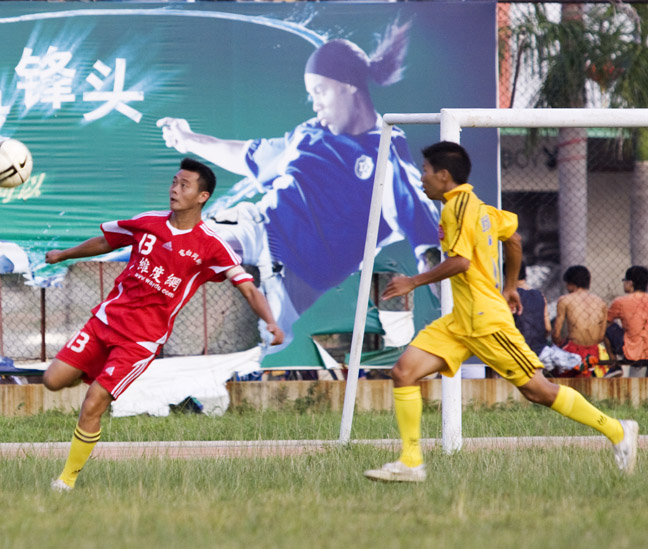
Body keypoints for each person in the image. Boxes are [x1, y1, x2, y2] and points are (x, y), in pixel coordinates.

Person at [363, 141, 638, 483]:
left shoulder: (456, 209)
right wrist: (510, 286)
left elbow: (461, 262)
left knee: (538, 391)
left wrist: (413, 281)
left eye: (426, 171)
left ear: (444, 175)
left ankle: (617, 430)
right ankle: (411, 462)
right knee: (404, 372)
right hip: (460, 321)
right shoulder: (478, 206)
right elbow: (515, 238)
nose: (422, 177)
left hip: (486, 322)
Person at [157, 23, 440, 352]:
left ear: (348, 85)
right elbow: (246, 154)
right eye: (311, 95)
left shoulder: (388, 161)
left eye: (320, 91)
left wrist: (454, 301)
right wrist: (188, 139)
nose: (315, 104)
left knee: (218, 347)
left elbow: (431, 252)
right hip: (255, 229)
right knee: (162, 248)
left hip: (289, 284)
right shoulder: (309, 134)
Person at [42, 158, 284, 491]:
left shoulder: (210, 246)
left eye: (184, 185)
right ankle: (93, 375)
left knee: (94, 402)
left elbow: (248, 288)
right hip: (105, 321)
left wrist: (271, 321)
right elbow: (107, 242)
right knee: (52, 381)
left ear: (202, 196)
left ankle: (66, 480)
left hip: (139, 342)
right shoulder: (148, 222)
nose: (174, 189)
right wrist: (64, 254)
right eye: (173, 182)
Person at [513, 263, 582, 377]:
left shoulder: (507, 297)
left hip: (516, 351)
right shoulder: (540, 296)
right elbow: (548, 328)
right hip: (539, 351)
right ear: (525, 275)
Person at [552, 266, 607, 362]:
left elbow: (556, 334)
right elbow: (601, 336)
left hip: (573, 350)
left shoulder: (565, 300)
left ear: (571, 283)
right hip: (595, 351)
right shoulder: (600, 302)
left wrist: (559, 342)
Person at [607, 266, 648, 377]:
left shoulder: (621, 302)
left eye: (624, 280)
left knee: (606, 326)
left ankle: (614, 365)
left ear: (630, 283)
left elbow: (606, 322)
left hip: (631, 352)